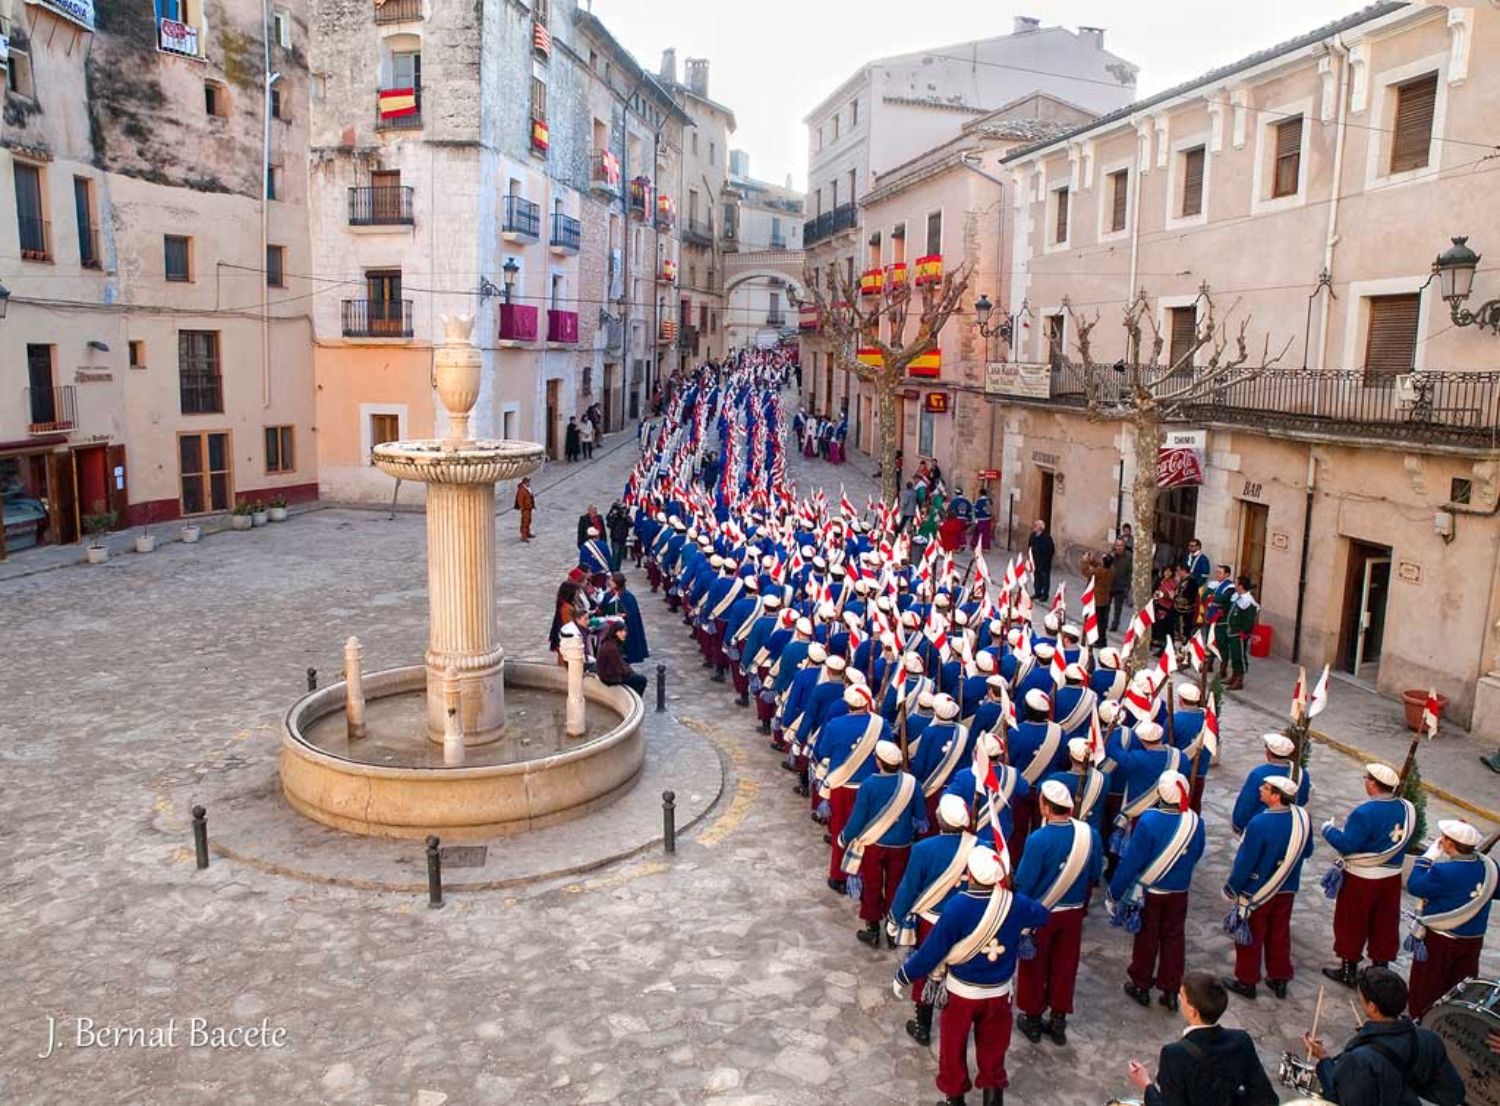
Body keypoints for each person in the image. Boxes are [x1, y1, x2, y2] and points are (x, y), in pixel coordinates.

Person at [893, 846, 1052, 1106]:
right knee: (994, 1049)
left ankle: (955, 1100)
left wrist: (904, 975)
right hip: (999, 993)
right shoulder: (1015, 903)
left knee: (953, 1048)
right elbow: (1041, 916)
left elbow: (932, 952)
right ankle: (992, 1098)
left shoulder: (958, 906)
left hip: (962, 994)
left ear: (970, 874)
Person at [1013, 780, 1103, 1046]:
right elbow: (1095, 873)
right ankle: (1058, 1020)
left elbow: (1026, 883)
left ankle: (1032, 1019)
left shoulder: (1038, 839)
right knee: (1065, 966)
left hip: (1041, 912)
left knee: (1034, 966)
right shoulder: (1090, 834)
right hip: (1073, 912)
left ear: (1045, 806)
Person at [1109, 771, 1206, 1012]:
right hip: (1179, 889)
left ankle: (1141, 984)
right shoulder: (1195, 822)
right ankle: (1171, 989)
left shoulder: (1150, 820)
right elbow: (1197, 853)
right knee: (1174, 938)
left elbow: (1132, 860)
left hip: (1151, 891)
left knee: (1147, 937)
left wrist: (1116, 890)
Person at [1304, 966, 1465, 1106]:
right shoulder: (1429, 1039)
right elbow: (1454, 1093)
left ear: (1372, 1007)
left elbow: (1338, 1098)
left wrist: (1324, 1059)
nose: (1358, 1001)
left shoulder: (1358, 1059)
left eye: (1360, 999)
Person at [1318, 762, 1414, 987]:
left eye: (1366, 778)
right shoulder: (1407, 808)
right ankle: (1381, 970)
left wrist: (1328, 830)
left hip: (1362, 878)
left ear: (1373, 783)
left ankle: (1348, 970)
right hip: (1391, 877)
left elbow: (1348, 844)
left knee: (1351, 922)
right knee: (1385, 923)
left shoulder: (1365, 812)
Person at [1222, 774, 1314, 1000]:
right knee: (1279, 933)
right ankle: (1279, 978)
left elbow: (1245, 862)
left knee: (1251, 935)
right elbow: (1308, 850)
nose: (1260, 790)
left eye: (1265, 788)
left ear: (1276, 796)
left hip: (1258, 890)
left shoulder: (1260, 823)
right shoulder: (1303, 817)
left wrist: (1232, 887)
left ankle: (1247, 980)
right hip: (1288, 886)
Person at [1124, 971, 1279, 1106]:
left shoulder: (1174, 1054)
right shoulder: (1240, 1040)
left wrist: (1146, 1085)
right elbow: (1266, 1099)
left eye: (1182, 996)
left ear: (1193, 1011)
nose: (1178, 998)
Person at [1405, 817, 1500, 1019]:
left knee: (1427, 985)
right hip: (1473, 940)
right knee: (1459, 986)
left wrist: (1427, 858)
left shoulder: (1443, 871)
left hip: (1441, 939)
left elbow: (1415, 885)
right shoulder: (1491, 868)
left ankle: (1419, 1020)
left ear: (1449, 843)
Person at [838, 740, 925, 948]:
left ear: (879, 762)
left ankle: (873, 929)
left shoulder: (868, 785)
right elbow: (920, 817)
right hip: (902, 843)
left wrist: (845, 837)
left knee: (872, 885)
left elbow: (858, 819)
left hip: (874, 844)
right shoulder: (912, 784)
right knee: (896, 885)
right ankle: (893, 929)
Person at [602, 573, 649, 664]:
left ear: (617, 583)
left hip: (625, 628)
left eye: (611, 581)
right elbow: (603, 609)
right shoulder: (608, 595)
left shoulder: (628, 597)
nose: (609, 582)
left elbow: (632, 614)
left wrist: (624, 615)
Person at [1224, 575, 1259, 690]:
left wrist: (1244, 632)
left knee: (1240, 656)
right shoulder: (1239, 597)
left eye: (1236, 584)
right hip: (1233, 632)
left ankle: (1239, 679)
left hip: (1239, 634)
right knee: (1234, 655)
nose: (1235, 586)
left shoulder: (1248, 602)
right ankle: (1234, 675)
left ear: (1241, 586)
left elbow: (1249, 620)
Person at [596, 619, 648, 695]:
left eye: (624, 631)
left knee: (634, 676)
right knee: (642, 680)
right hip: (610, 678)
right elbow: (618, 669)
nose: (624, 634)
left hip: (608, 675)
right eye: (621, 632)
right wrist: (629, 672)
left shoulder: (609, 643)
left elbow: (620, 662)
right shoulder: (612, 648)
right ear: (615, 632)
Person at [1104, 537, 1132, 635]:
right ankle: (1104, 623)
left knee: (1118, 608)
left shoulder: (1129, 556)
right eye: (1117, 545)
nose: (1119, 548)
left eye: (1121, 545)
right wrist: (1109, 554)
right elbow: (1104, 565)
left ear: (1124, 546)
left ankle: (1115, 624)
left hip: (1121, 585)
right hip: (1110, 584)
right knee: (1106, 606)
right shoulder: (1111, 555)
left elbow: (1130, 572)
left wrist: (1128, 587)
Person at [1028, 520, 1054, 601]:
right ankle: (1037, 593)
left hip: (1044, 563)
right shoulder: (1033, 536)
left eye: (1036, 525)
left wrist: (1045, 560)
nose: (1034, 526)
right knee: (1037, 578)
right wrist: (1030, 557)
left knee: (1045, 579)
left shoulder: (1047, 538)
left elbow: (1051, 550)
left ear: (1040, 528)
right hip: (1035, 562)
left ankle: (1045, 595)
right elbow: (1030, 546)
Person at [605, 502, 631, 570]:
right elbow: (609, 524)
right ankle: (613, 570)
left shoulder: (625, 516)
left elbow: (631, 524)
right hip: (615, 538)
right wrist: (614, 516)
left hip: (623, 538)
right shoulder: (613, 516)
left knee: (620, 557)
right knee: (615, 556)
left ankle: (617, 570)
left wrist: (625, 517)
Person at [514, 476, 535, 541]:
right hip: (525, 508)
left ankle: (527, 533)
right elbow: (519, 499)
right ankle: (523, 536)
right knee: (525, 522)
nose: (529, 483)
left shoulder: (527, 488)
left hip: (529, 507)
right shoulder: (522, 490)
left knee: (529, 520)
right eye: (528, 481)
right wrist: (522, 507)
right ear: (525, 482)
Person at [972, 486, 993, 551]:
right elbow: (990, 509)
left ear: (980, 493)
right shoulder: (989, 500)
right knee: (986, 533)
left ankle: (976, 545)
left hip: (980, 519)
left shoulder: (979, 501)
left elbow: (976, 510)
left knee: (978, 533)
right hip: (988, 519)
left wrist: (975, 518)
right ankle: (986, 547)